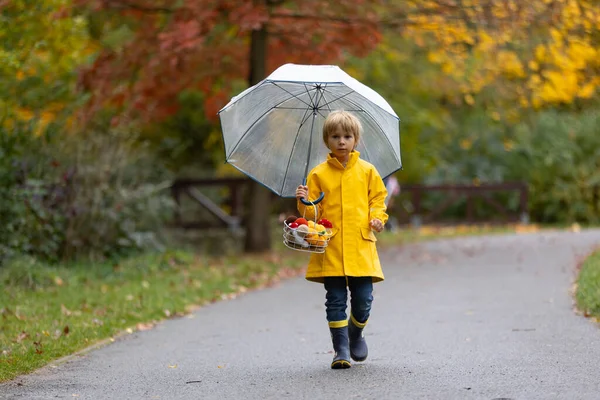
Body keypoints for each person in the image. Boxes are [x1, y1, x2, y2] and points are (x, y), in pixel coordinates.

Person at [295, 110, 388, 369]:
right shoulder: (318, 174)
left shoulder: (368, 171)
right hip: (331, 246)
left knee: (363, 298)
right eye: (336, 136)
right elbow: (311, 215)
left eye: (347, 136)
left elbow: (377, 200)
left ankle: (355, 332)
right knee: (334, 299)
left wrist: (378, 218)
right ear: (328, 140)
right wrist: (303, 200)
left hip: (360, 245)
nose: (342, 141)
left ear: (355, 139)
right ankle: (341, 349)